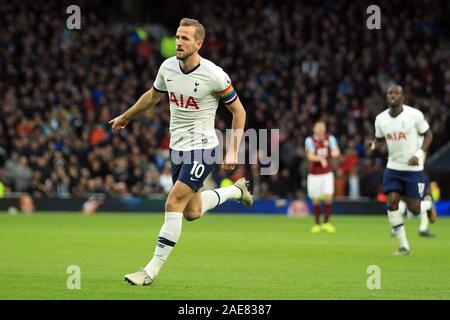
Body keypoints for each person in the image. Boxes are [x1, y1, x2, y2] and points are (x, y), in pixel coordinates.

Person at [109, 18, 253, 286]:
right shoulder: (167, 67)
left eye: (185, 38)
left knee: (173, 203)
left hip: (204, 148)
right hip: (178, 148)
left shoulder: (214, 74)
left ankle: (149, 271)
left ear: (198, 44)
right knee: (192, 211)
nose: (178, 42)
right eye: (177, 36)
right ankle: (235, 191)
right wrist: (126, 116)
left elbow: (238, 111)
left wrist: (233, 151)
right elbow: (152, 97)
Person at [366, 84, 434, 256]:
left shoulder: (414, 115)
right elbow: (380, 140)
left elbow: (428, 134)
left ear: (403, 97)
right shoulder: (380, 119)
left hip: (413, 169)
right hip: (393, 167)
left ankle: (427, 206)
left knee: (414, 209)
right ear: (387, 97)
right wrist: (373, 145)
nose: (393, 95)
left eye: (396, 93)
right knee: (391, 202)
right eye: (390, 93)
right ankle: (404, 246)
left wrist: (419, 154)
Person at [305, 121, 341, 233]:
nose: (320, 130)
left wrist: (336, 153)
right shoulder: (310, 140)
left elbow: (336, 150)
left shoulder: (330, 138)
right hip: (314, 174)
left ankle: (326, 222)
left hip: (327, 173)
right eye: (318, 128)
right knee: (315, 199)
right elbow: (310, 156)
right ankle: (316, 224)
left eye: (322, 128)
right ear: (314, 129)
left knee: (328, 196)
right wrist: (320, 159)